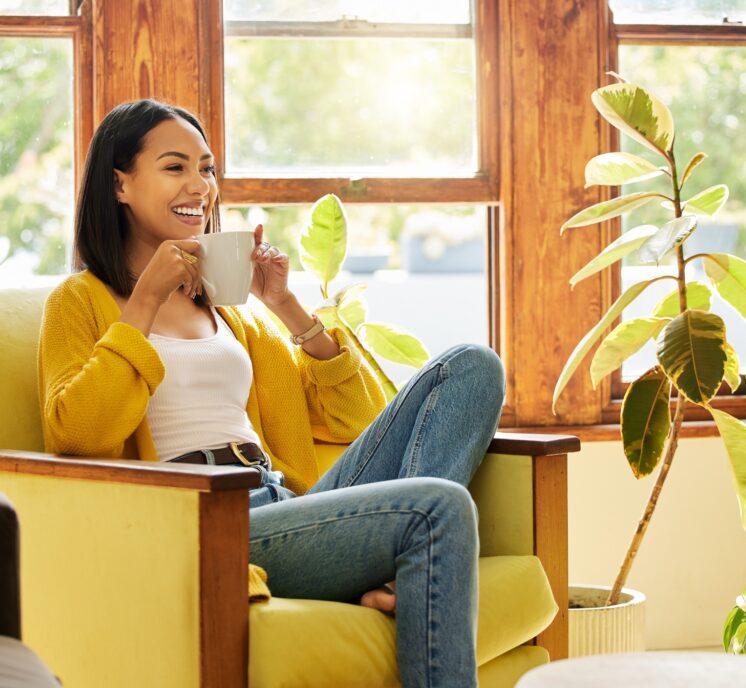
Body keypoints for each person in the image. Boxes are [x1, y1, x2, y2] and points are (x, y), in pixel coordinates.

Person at [38, 99, 506, 688]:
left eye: (207, 169)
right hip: (213, 523)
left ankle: (394, 574)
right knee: (438, 505)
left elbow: (358, 420)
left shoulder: (238, 318)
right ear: (120, 183)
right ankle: (402, 566)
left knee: (472, 365)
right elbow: (74, 431)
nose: (200, 186)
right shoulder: (79, 302)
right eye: (176, 167)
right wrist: (146, 302)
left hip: (285, 502)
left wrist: (283, 302)